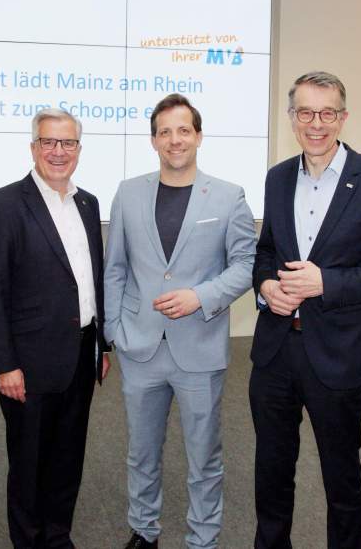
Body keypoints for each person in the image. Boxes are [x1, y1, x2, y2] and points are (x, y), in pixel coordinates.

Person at [250, 71, 361, 548]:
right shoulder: (278, 177)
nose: (316, 124)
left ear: (343, 118)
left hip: (341, 354)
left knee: (341, 479)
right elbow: (266, 252)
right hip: (276, 352)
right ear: (292, 118)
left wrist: (327, 283)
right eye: (305, 112)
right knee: (271, 473)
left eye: (327, 113)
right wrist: (266, 286)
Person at [104, 93, 257, 549]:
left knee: (204, 457)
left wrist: (200, 297)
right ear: (154, 140)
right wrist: (113, 332)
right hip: (140, 347)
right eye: (165, 132)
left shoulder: (229, 196)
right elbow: (115, 267)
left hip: (200, 348)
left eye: (183, 130)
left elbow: (246, 265)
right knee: (141, 453)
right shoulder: (128, 193)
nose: (175, 140)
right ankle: (144, 531)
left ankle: (202, 539)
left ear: (199, 136)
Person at [0, 108, 111, 549]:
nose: (58, 151)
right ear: (33, 147)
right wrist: (4, 364)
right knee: (29, 464)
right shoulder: (2, 205)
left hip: (81, 353)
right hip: (27, 364)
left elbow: (91, 280)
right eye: (49, 142)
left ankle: (57, 537)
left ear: (79, 149)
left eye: (67, 143)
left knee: (68, 458)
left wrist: (102, 346)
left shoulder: (88, 203)